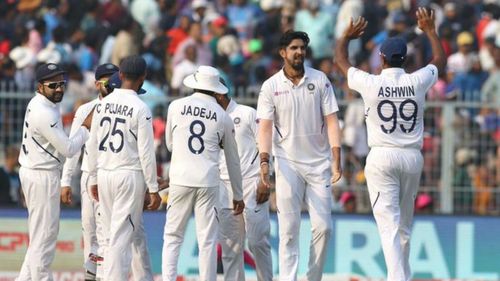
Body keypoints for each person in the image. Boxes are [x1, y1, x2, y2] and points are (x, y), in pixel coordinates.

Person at [335, 7, 446, 281]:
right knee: (404, 227)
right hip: (411, 157)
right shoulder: (417, 81)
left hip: (382, 157)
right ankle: (403, 277)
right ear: (404, 59)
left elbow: (340, 61)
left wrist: (346, 37)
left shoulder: (371, 83)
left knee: (389, 227)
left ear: (382, 58)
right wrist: (431, 31)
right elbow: (440, 61)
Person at [256, 30, 342, 281]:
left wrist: (337, 157)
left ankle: (313, 277)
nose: (299, 52)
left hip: (318, 164)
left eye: (302, 48)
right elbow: (265, 127)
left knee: (324, 228)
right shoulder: (271, 86)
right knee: (289, 231)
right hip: (287, 163)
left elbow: (332, 120)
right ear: (283, 53)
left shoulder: (320, 79)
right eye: (294, 48)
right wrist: (265, 162)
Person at [162, 65, 244, 281]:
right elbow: (232, 160)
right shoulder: (223, 115)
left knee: (172, 237)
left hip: (179, 178)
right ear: (216, 90)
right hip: (208, 180)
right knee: (207, 240)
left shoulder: (175, 106)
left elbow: (170, 145)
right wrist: (238, 194)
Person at [87, 55, 161, 281]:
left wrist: (93, 178)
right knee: (121, 240)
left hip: (105, 172)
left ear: (120, 75)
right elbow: (146, 153)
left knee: (109, 238)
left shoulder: (103, 104)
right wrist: (153, 188)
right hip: (129, 175)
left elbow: (92, 143)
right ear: (143, 78)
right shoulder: (141, 108)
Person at [17, 62, 93, 281]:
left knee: (40, 236)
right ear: (40, 86)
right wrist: (86, 128)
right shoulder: (44, 112)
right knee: (45, 238)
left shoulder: (42, 102)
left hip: (37, 172)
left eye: (62, 84)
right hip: (41, 176)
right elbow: (69, 149)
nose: (59, 89)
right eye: (53, 85)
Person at [60, 63, 118, 280]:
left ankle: (105, 274)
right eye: (106, 80)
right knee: (89, 230)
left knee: (109, 232)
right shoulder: (86, 110)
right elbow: (73, 149)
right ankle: (90, 275)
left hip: (111, 176)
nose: (111, 83)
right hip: (88, 176)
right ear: (96, 84)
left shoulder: (124, 107)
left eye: (114, 78)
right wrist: (66, 181)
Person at [214, 80, 273, 281]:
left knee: (257, 243)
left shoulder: (246, 113)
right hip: (224, 188)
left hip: (251, 184)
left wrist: (265, 179)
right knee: (230, 250)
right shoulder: (210, 118)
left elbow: (266, 146)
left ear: (220, 95)